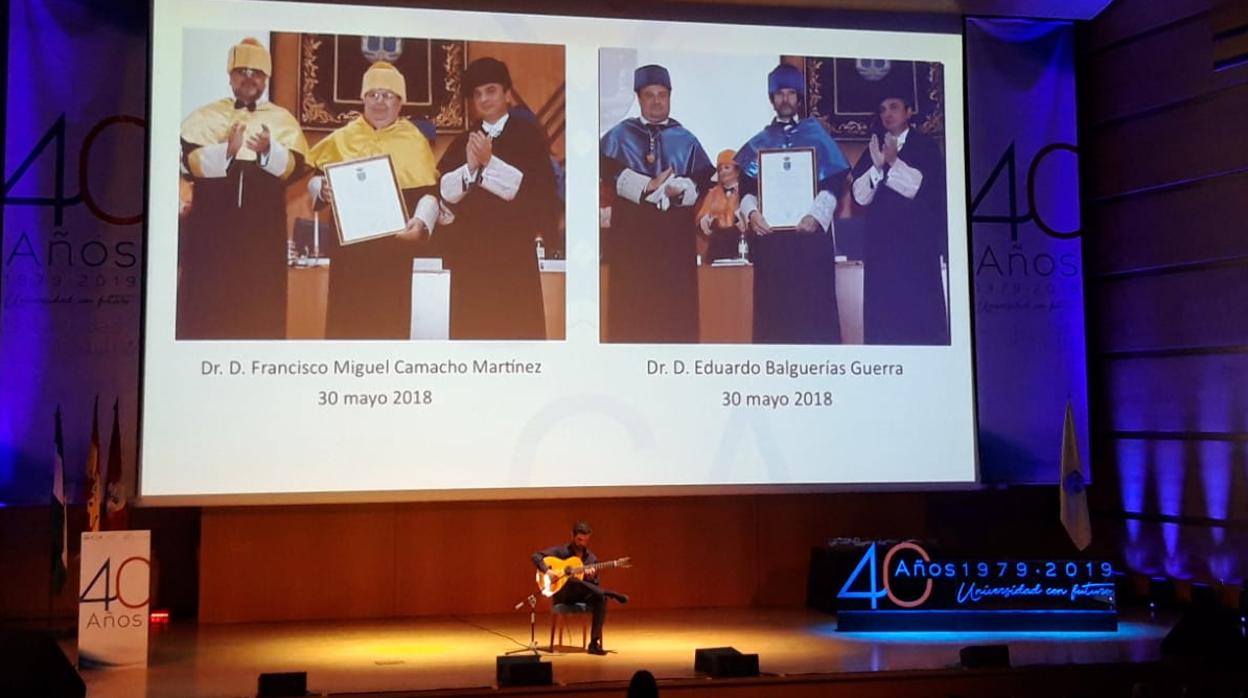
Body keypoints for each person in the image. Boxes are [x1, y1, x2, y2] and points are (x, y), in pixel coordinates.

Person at [178, 37, 309, 339]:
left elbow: (294, 169)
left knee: (259, 307)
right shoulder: (205, 116)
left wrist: (267, 150)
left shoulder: (282, 120)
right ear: (230, 76)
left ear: (266, 79)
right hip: (212, 233)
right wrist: (226, 150)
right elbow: (191, 163)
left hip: (260, 234)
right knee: (207, 307)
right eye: (242, 71)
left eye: (256, 73)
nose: (249, 79)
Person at [307, 61, 442, 339]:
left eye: (388, 95)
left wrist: (421, 225)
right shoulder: (341, 138)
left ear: (400, 102)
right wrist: (321, 188)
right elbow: (313, 177)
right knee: (345, 328)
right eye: (373, 94)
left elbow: (429, 192)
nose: (379, 102)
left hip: (393, 255)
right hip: (350, 257)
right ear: (363, 98)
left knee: (389, 327)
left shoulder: (414, 140)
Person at [437, 57, 558, 340]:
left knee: (515, 334)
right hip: (470, 259)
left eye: (490, 90)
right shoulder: (462, 140)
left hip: (512, 255)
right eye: (477, 94)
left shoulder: (529, 136)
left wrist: (488, 163)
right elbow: (445, 193)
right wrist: (469, 169)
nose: (484, 99)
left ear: (506, 93)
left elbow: (538, 191)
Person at [735, 63, 850, 344]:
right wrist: (752, 215)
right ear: (772, 99)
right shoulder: (759, 142)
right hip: (773, 244)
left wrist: (815, 216)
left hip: (809, 241)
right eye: (779, 94)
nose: (785, 99)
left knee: (814, 318)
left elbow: (834, 182)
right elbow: (747, 189)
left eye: (790, 93)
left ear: (799, 98)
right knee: (774, 319)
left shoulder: (817, 136)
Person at [601, 64, 714, 343]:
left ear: (670, 97)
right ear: (639, 98)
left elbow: (700, 178)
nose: (656, 101)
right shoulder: (618, 135)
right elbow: (606, 170)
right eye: (649, 95)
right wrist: (646, 185)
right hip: (631, 241)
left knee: (673, 316)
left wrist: (681, 189)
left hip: (672, 243)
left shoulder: (685, 139)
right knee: (632, 315)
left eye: (661, 94)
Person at [851, 94, 949, 344]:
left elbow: (917, 187)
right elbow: (860, 197)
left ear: (909, 111)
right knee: (884, 323)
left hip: (915, 250)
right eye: (882, 109)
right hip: (881, 250)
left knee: (918, 321)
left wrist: (892, 162)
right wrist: (877, 166)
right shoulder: (874, 148)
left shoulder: (926, 146)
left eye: (894, 107)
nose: (887, 114)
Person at [531, 521, 628, 656]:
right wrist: (548, 571)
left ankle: (594, 643)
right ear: (572, 535)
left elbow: (595, 584)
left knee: (601, 598)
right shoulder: (561, 551)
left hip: (581, 593)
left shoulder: (591, 558)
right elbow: (536, 556)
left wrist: (591, 577)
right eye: (579, 539)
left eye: (585, 540)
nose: (582, 543)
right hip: (563, 594)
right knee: (572, 579)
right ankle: (610, 592)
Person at [696, 149, 749, 263]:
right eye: (720, 169)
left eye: (726, 167)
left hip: (741, 243)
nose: (722, 172)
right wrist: (706, 221)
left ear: (737, 171)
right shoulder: (712, 193)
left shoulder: (745, 192)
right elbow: (701, 219)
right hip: (717, 245)